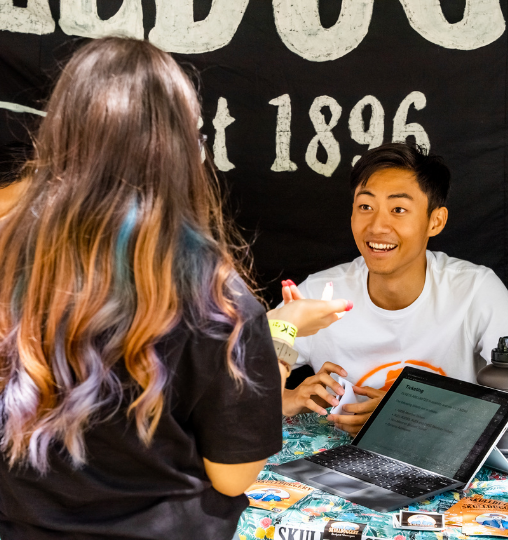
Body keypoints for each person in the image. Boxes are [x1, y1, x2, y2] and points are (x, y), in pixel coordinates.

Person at [0, 37, 350, 540]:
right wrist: (282, 330)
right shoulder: (216, 297)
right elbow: (234, 475)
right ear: (183, 152)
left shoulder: (14, 268)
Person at [281, 143, 508, 435]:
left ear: (435, 221)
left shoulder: (472, 290)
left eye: (399, 209)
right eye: (365, 206)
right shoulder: (321, 293)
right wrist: (287, 399)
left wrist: (407, 416)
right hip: (341, 461)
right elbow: (232, 383)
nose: (377, 226)